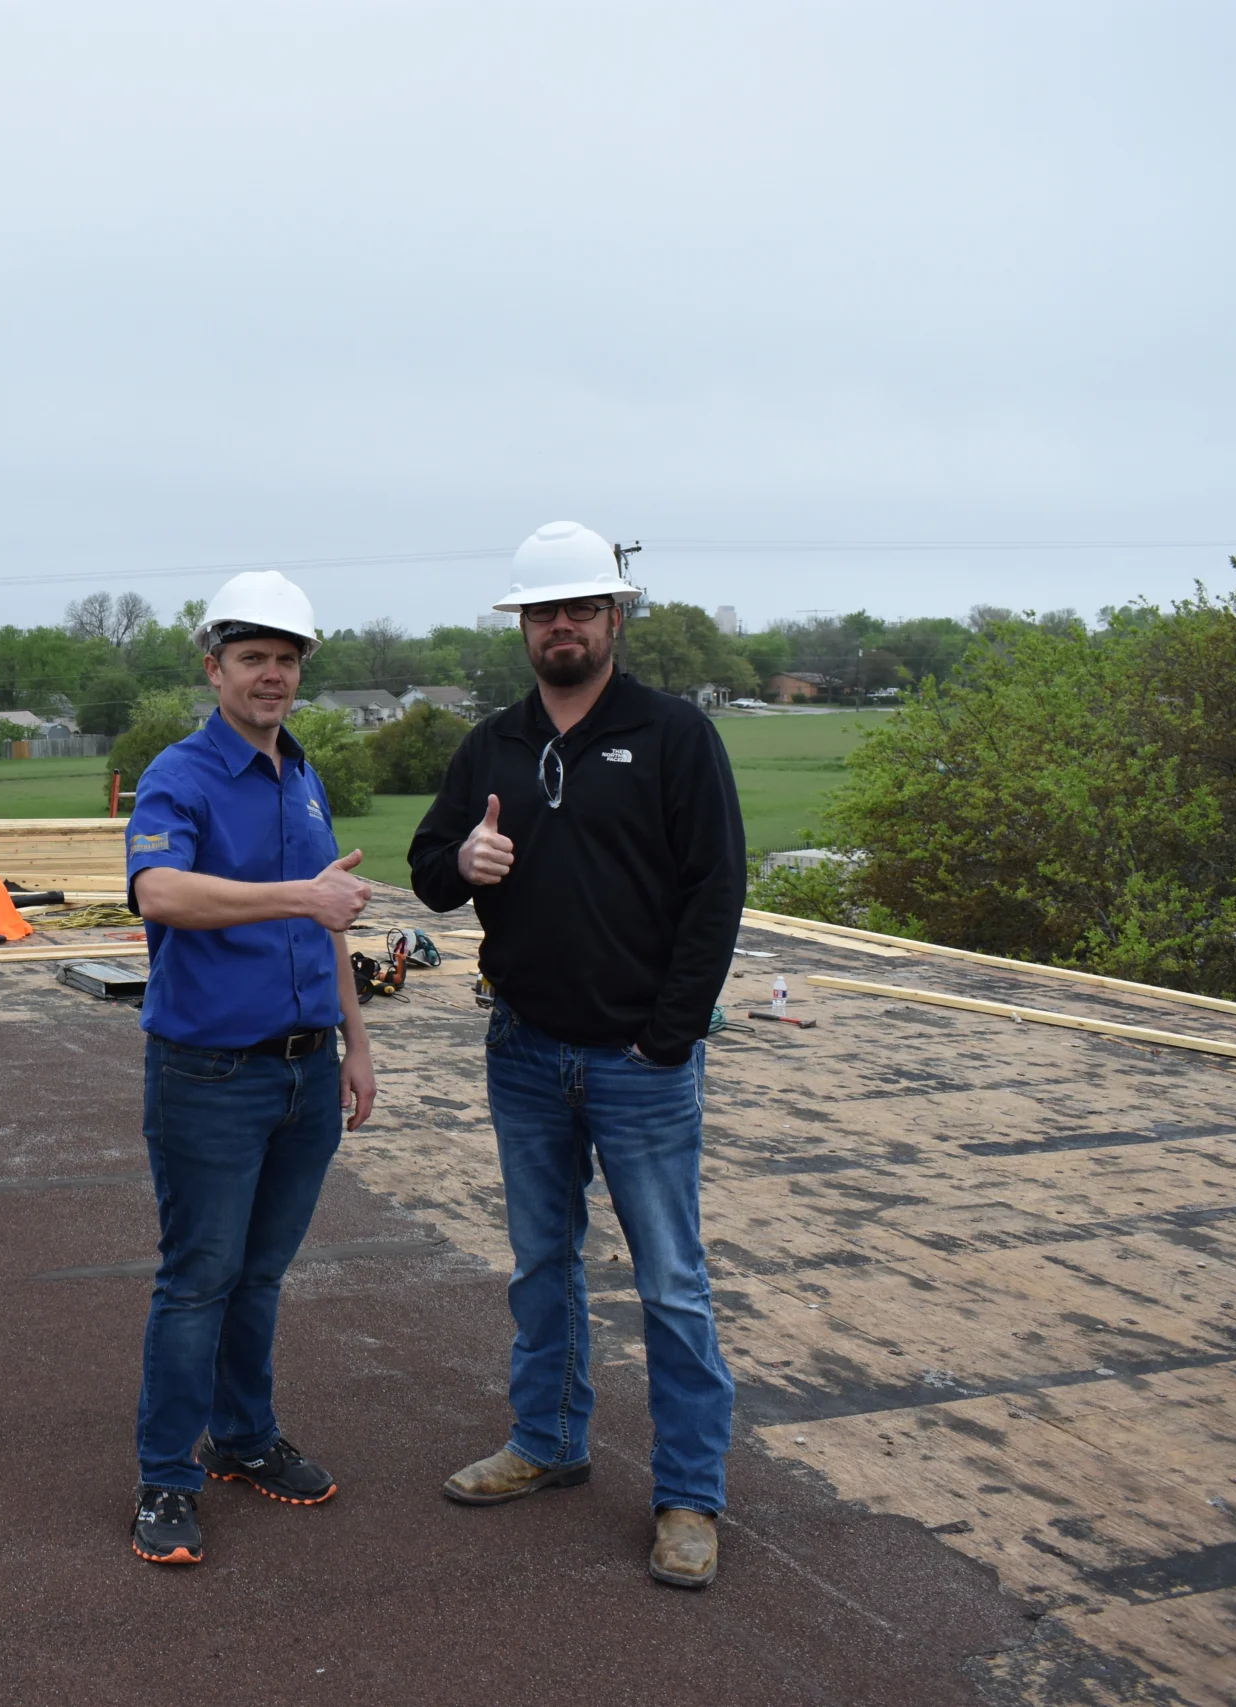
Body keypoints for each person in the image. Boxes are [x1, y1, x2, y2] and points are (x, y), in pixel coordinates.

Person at [406, 521, 745, 1590]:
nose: (562, 626)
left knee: (671, 1283)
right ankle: (547, 1442)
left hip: (640, 1062)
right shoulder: (493, 745)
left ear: (613, 617)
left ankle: (688, 1495)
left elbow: (716, 891)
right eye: (543, 611)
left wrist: (668, 1034)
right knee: (541, 1264)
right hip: (525, 1048)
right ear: (522, 625)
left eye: (580, 609)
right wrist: (463, 858)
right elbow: (427, 871)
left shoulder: (673, 734)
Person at [120, 570, 379, 1567]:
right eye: (252, 658)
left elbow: (328, 917)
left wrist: (356, 1042)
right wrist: (298, 897)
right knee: (198, 1279)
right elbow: (160, 893)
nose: (272, 675)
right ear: (214, 668)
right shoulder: (180, 774)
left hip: (306, 1071)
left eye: (286, 659)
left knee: (260, 1274)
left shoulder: (302, 774)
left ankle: (242, 1436)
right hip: (210, 1075)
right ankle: (165, 1474)